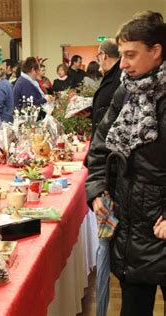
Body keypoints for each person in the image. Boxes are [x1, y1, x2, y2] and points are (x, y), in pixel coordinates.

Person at [86, 11, 166, 316]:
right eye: (121, 55)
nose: (123, 63)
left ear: (156, 50)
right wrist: (96, 192)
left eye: (131, 55)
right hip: (131, 234)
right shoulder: (125, 91)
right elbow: (99, 149)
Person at [89, 38, 122, 136]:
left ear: (103, 55)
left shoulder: (120, 77)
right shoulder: (111, 75)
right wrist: (91, 113)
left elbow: (116, 113)